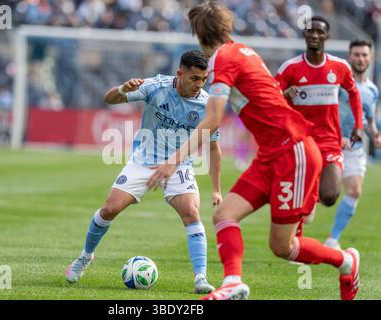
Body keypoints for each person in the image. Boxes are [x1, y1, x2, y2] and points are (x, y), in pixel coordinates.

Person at [147, 1, 360, 300]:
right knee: (224, 215)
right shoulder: (242, 50)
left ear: (199, 34)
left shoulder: (225, 58)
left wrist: (173, 161)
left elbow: (214, 117)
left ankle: (347, 261)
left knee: (283, 246)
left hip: (293, 151)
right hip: (273, 153)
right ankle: (233, 282)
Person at [65, 50, 222, 294]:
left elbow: (214, 148)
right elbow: (108, 98)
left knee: (191, 213)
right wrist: (122, 90)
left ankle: (200, 277)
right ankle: (85, 257)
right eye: (194, 78)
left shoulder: (206, 105)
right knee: (109, 209)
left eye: (203, 79)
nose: (199, 84)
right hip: (144, 161)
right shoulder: (155, 86)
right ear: (180, 73)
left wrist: (217, 189)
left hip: (179, 165)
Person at [275, 16, 364, 210]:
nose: (314, 35)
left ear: (327, 36)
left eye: (319, 32)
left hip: (330, 142)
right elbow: (270, 98)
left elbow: (354, 93)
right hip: (301, 143)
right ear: (304, 34)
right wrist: (284, 93)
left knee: (330, 195)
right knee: (297, 204)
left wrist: (358, 125)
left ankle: (306, 204)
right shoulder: (290, 68)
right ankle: (298, 227)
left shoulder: (339, 66)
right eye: (310, 31)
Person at [325, 40, 381, 249]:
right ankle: (294, 236)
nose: (361, 59)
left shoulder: (372, 90)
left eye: (364, 55)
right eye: (356, 55)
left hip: (354, 149)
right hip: (330, 144)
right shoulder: (339, 82)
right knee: (322, 195)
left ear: (370, 58)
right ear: (350, 57)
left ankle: (333, 239)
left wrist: (375, 134)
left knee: (354, 191)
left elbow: (368, 118)